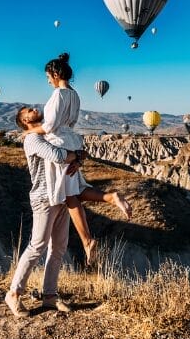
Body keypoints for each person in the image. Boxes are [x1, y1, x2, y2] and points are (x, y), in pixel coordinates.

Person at [5, 106, 130, 317]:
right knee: (37, 245)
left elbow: (76, 152)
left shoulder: (52, 134)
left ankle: (50, 295)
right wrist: (77, 156)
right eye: (28, 110)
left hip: (62, 197)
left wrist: (79, 157)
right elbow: (57, 155)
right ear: (24, 121)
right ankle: (14, 294)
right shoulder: (32, 139)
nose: (34, 108)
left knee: (59, 247)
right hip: (44, 199)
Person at [23, 53, 131, 265]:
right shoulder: (75, 95)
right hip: (72, 140)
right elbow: (69, 123)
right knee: (73, 193)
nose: (48, 81)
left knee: (68, 195)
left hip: (59, 143)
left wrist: (29, 131)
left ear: (55, 74)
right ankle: (108, 201)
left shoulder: (58, 95)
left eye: (48, 77)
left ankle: (88, 240)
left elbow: (49, 126)